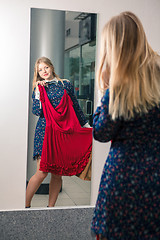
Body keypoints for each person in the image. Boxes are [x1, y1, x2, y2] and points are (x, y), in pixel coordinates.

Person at [91, 11, 160, 240]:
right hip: (155, 179)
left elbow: (101, 132)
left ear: (115, 46)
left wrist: (104, 96)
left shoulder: (119, 87)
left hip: (122, 179)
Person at [26, 56, 91, 208]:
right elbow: (36, 111)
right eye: (40, 70)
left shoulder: (66, 84)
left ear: (51, 67)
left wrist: (86, 126)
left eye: (46, 68)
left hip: (62, 132)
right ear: (38, 73)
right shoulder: (39, 87)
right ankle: (25, 206)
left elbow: (75, 107)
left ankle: (51, 209)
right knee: (42, 172)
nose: (44, 71)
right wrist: (38, 93)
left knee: (57, 173)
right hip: (45, 131)